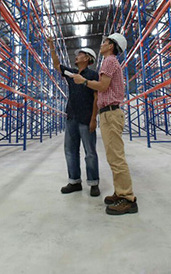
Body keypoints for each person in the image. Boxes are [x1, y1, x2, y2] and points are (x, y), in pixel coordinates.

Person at [72, 33, 138, 215]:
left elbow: (102, 87)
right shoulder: (109, 61)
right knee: (113, 157)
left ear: (111, 46)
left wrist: (84, 81)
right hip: (108, 114)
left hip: (111, 113)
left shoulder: (109, 61)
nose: (101, 45)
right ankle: (120, 192)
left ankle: (127, 198)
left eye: (104, 42)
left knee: (116, 158)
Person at [47, 37, 101, 197]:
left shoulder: (93, 75)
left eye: (80, 54)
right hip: (71, 117)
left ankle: (93, 183)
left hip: (86, 118)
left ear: (88, 59)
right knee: (70, 150)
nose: (76, 56)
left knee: (90, 152)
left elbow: (96, 98)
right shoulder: (71, 73)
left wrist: (93, 119)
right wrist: (51, 46)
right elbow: (57, 65)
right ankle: (74, 181)